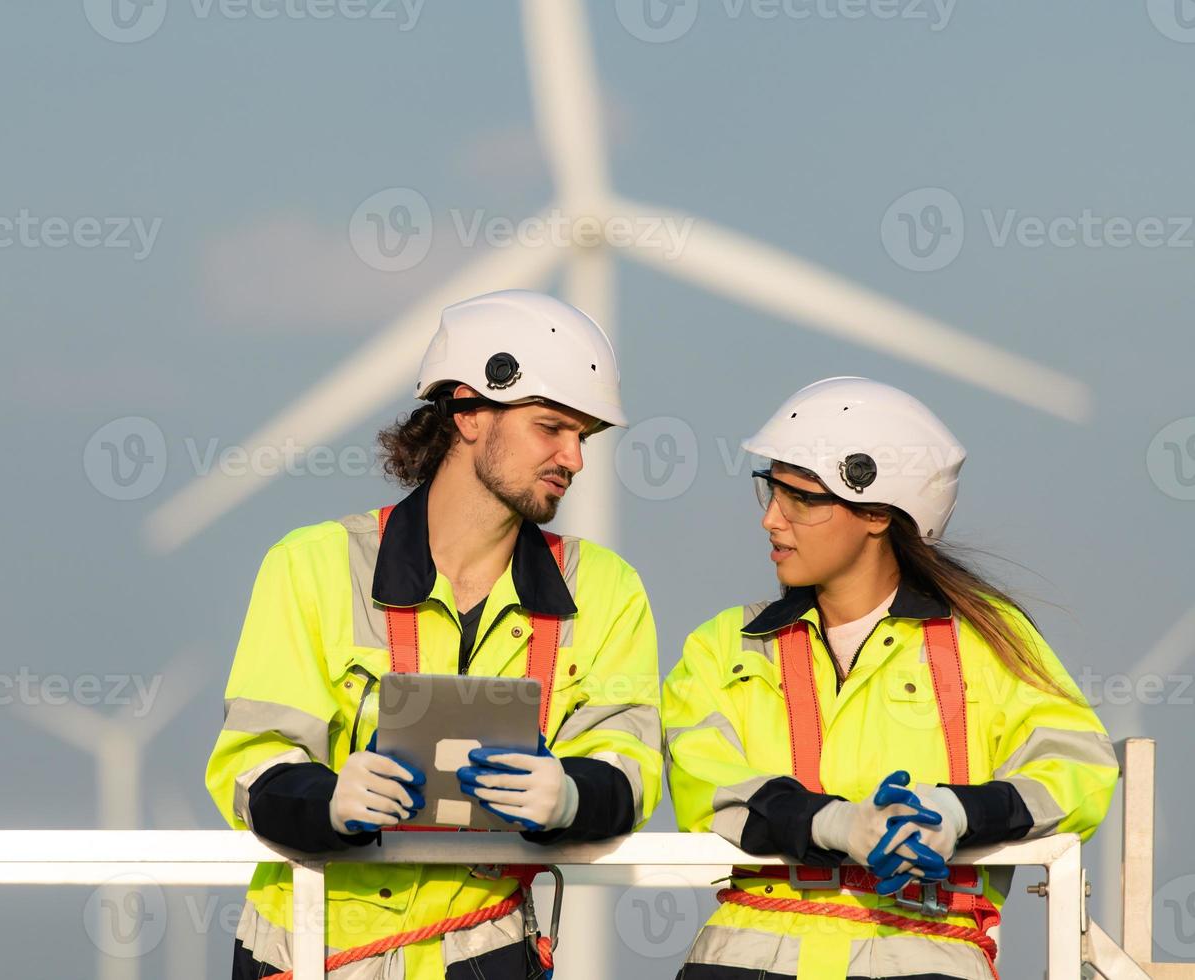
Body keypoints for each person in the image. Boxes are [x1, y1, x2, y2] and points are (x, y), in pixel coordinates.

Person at [207, 289, 662, 979]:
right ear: (470, 411)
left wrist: (569, 793)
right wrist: (326, 800)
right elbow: (252, 768)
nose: (575, 459)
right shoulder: (312, 565)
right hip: (305, 951)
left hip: (483, 956)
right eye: (552, 427)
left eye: (584, 436)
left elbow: (629, 771)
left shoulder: (607, 589)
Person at [664, 376, 1117, 980]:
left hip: (924, 958)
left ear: (877, 512)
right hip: (747, 960)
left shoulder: (986, 639)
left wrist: (957, 812)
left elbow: (1078, 768)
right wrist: (838, 824)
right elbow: (703, 780)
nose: (772, 519)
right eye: (769, 491)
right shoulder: (726, 643)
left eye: (801, 498)